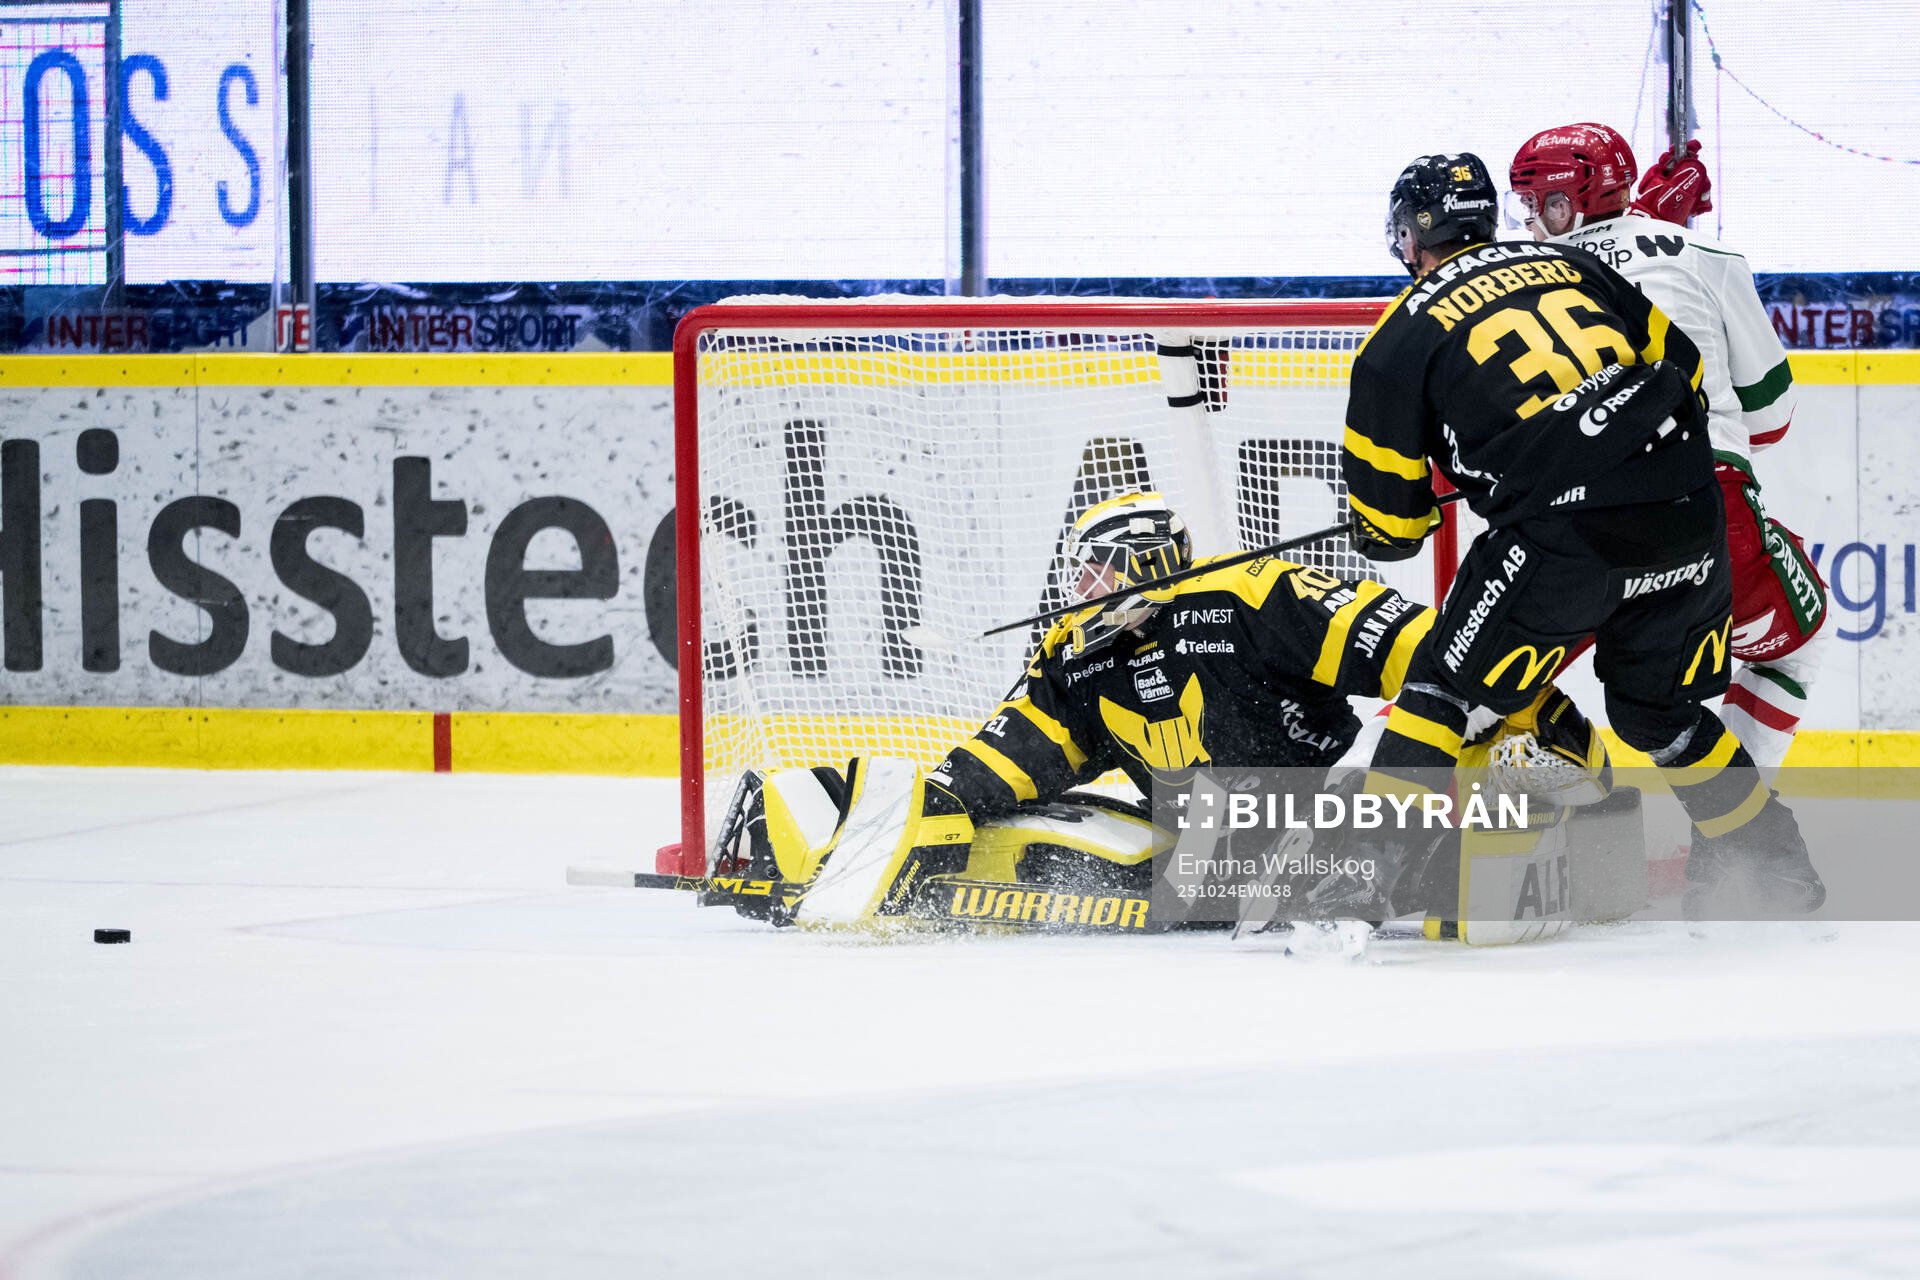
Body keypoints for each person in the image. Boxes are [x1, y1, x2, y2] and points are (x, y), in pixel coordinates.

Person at [1338, 152, 1823, 922]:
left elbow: (1392, 532)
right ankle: (1781, 872)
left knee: (1440, 688)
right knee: (1658, 716)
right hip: (1688, 515)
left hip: (1563, 538)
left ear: (1409, 238)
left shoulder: (1396, 342)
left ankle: (1355, 887)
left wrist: (1458, 486)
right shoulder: (1571, 268)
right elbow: (1688, 371)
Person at [1507, 123, 1827, 774]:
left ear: (1564, 206)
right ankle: (1734, 843)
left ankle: (1467, 830)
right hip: (1702, 513)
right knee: (1795, 647)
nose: (1531, 223)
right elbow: (1770, 420)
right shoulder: (1706, 257)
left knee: (1477, 682)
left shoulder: (1515, 283)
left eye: (1535, 206)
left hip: (1563, 530)